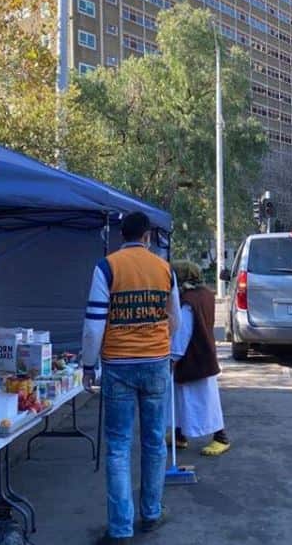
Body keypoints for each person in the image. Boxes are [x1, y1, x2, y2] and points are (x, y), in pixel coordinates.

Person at [81, 212, 185, 545]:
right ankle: (151, 514)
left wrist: (87, 366)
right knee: (154, 443)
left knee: (118, 448)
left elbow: (94, 325)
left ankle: (120, 530)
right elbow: (176, 319)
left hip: (118, 367)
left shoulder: (106, 267)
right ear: (147, 237)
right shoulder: (165, 269)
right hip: (156, 364)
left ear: (121, 235)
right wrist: (158, 344)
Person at [170, 260, 231, 456]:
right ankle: (179, 434)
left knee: (203, 400)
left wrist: (173, 357)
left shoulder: (188, 301)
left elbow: (182, 332)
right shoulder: (205, 294)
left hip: (193, 356)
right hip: (203, 352)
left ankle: (221, 437)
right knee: (182, 397)